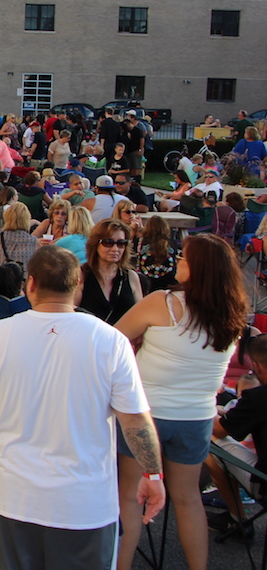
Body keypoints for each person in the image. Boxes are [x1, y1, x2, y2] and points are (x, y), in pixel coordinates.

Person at [0, 245, 165, 569]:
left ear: (30, 285)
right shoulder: (111, 341)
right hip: (86, 504)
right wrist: (153, 472)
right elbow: (135, 419)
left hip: (16, 496)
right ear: (78, 286)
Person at [113, 233, 244, 570]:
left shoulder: (165, 302)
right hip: (197, 418)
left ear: (198, 268)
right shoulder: (233, 314)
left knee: (128, 496)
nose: (178, 261)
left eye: (184, 257)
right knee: (188, 500)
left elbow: (113, 338)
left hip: (147, 415)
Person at [205, 335, 267, 538]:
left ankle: (237, 519)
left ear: (256, 366)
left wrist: (209, 409)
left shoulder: (258, 397)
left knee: (210, 440)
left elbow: (219, 430)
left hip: (264, 484)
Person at [78, 218, 143, 324]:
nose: (115, 249)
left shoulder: (131, 276)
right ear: (95, 244)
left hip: (123, 338)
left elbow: (140, 316)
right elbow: (71, 311)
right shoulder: (81, 274)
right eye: (108, 242)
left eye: (121, 243)